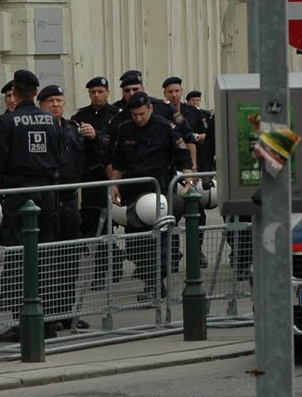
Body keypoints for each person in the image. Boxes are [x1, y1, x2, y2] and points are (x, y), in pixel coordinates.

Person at [0, 69, 65, 340]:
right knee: (46, 255)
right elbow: (59, 154)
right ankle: (47, 318)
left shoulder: (8, 122)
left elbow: (0, 162)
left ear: (17, 91)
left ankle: (22, 319)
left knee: (17, 255)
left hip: (18, 195)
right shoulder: (51, 120)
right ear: (35, 92)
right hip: (47, 194)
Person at [107, 91, 191, 302]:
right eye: (134, 114)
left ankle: (154, 284)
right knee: (137, 242)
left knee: (159, 237)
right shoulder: (124, 128)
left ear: (150, 109)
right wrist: (114, 184)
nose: (138, 118)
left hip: (159, 191)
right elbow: (117, 161)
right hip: (133, 191)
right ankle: (152, 281)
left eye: (142, 114)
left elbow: (183, 156)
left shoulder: (165, 127)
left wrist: (189, 178)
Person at [41, 84, 93, 332]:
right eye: (50, 100)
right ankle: (49, 314)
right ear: (41, 104)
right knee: (49, 259)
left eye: (59, 100)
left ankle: (66, 313)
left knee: (70, 258)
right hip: (47, 200)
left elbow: (91, 159)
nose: (56, 105)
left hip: (70, 199)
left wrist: (94, 137)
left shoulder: (74, 129)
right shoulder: (38, 129)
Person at [73, 76, 121, 289]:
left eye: (100, 91)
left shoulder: (116, 116)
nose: (96, 95)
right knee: (92, 223)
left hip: (108, 175)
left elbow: (116, 143)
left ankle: (106, 267)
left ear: (107, 92)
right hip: (88, 176)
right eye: (93, 92)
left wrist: (97, 135)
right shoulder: (81, 116)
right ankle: (112, 258)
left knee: (107, 221)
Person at [184, 91, 216, 177]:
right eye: (193, 100)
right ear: (187, 101)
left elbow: (209, 135)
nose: (195, 102)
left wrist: (195, 137)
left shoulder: (205, 114)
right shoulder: (184, 114)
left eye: (198, 100)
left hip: (202, 152)